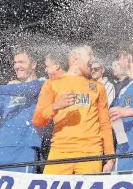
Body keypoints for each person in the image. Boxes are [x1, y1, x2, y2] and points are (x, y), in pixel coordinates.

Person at [32, 45, 115, 175]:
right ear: (75, 58)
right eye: (90, 55)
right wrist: (55, 106)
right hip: (59, 150)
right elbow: (37, 120)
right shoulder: (51, 84)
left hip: (91, 152)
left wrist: (110, 157)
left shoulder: (98, 87)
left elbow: (104, 123)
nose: (94, 60)